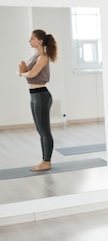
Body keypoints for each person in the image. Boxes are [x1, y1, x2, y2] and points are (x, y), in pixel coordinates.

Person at [18, 29, 58, 172]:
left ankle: (46, 161)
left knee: (44, 131)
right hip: (34, 95)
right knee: (40, 130)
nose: (30, 41)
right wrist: (23, 72)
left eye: (32, 38)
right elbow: (23, 72)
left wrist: (23, 73)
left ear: (40, 41)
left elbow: (32, 73)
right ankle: (45, 160)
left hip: (41, 95)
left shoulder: (43, 57)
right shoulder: (35, 56)